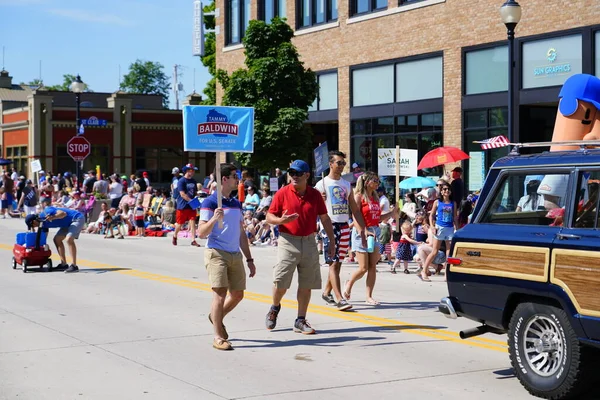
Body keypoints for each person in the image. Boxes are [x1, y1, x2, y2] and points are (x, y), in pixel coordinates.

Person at [265, 160, 335, 334]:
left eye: (298, 173)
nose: (294, 176)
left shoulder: (315, 194)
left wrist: (332, 241)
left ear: (307, 175)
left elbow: (324, 218)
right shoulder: (282, 193)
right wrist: (280, 221)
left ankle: (300, 320)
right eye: (291, 173)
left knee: (306, 284)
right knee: (281, 282)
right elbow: (269, 216)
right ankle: (274, 308)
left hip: (310, 241)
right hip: (288, 241)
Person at [198, 163, 256, 351]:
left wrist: (249, 259)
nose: (237, 179)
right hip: (216, 253)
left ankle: (216, 316)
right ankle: (218, 336)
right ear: (224, 179)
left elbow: (241, 233)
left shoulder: (236, 203)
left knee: (238, 294)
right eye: (234, 175)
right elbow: (201, 232)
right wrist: (214, 218)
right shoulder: (210, 202)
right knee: (220, 294)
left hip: (235, 254)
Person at [314, 150, 366, 311]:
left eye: (344, 163)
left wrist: (362, 229)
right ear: (330, 164)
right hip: (329, 225)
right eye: (339, 163)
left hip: (344, 225)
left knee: (338, 263)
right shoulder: (321, 184)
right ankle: (339, 299)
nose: (342, 166)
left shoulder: (345, 184)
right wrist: (318, 200)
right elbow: (311, 208)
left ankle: (327, 292)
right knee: (333, 262)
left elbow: (355, 209)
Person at [344, 172, 397, 305]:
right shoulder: (358, 196)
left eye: (378, 181)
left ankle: (369, 296)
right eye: (375, 181)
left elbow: (377, 218)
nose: (378, 184)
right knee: (363, 268)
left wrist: (392, 213)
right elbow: (355, 217)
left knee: (373, 266)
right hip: (361, 232)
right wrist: (364, 230)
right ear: (367, 182)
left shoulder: (375, 197)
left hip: (375, 231)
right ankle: (349, 283)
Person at [35, 197, 85, 273]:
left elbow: (63, 214)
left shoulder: (47, 211)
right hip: (66, 224)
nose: (34, 227)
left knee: (69, 239)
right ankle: (63, 264)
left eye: (32, 225)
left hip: (76, 218)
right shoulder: (42, 224)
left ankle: (74, 266)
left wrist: (53, 217)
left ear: (33, 221)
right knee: (57, 240)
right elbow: (43, 238)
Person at [420, 181, 457, 282]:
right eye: (444, 189)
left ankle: (446, 274)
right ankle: (424, 270)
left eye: (448, 189)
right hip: (440, 227)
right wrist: (432, 226)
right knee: (434, 251)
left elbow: (455, 217)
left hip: (449, 228)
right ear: (441, 191)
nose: (446, 191)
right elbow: (431, 215)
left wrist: (457, 229)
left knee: (449, 253)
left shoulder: (453, 203)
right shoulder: (437, 202)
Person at [173, 164, 200, 247]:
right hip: (182, 205)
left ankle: (193, 240)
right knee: (179, 224)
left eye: (193, 170)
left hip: (191, 205)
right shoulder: (181, 181)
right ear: (187, 171)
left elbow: (195, 192)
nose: (193, 172)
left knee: (193, 222)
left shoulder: (194, 181)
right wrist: (191, 200)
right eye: (191, 170)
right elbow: (182, 194)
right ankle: (175, 235)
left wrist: (198, 195)